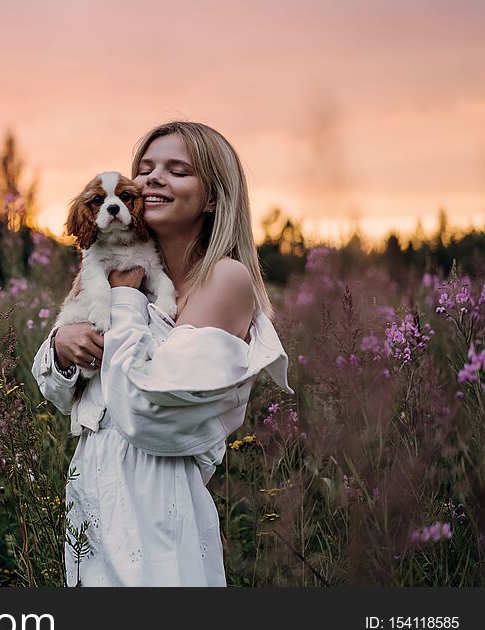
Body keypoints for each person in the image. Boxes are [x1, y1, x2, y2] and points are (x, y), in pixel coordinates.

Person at [31, 121, 295, 586]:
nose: (154, 178)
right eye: (146, 169)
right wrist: (62, 347)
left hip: (157, 500)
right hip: (92, 489)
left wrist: (127, 300)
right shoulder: (115, 268)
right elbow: (55, 389)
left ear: (213, 197)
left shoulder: (224, 279)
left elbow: (144, 411)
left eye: (178, 170)